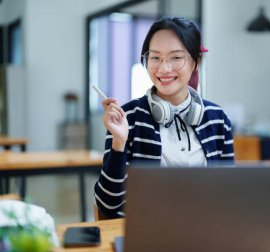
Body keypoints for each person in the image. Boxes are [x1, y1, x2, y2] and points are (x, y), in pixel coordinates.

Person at [94, 16, 235, 218]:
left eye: (176, 57)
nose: (164, 68)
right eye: (155, 58)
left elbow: (229, 194)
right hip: (146, 234)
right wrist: (119, 141)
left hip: (204, 231)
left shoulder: (217, 119)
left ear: (196, 62)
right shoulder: (127, 118)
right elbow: (107, 205)